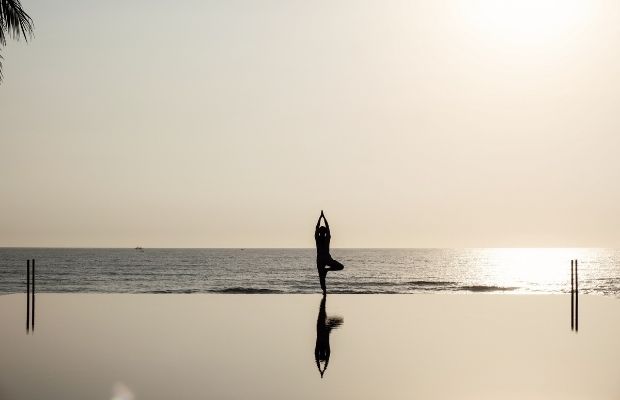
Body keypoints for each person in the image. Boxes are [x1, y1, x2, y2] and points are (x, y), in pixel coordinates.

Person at [315, 210, 344, 295]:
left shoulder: (318, 238)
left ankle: (324, 291)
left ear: (320, 232)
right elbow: (328, 228)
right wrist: (324, 217)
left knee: (321, 277)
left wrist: (320, 218)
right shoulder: (327, 238)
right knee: (340, 267)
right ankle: (327, 270)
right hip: (326, 258)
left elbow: (317, 227)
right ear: (325, 233)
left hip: (321, 258)